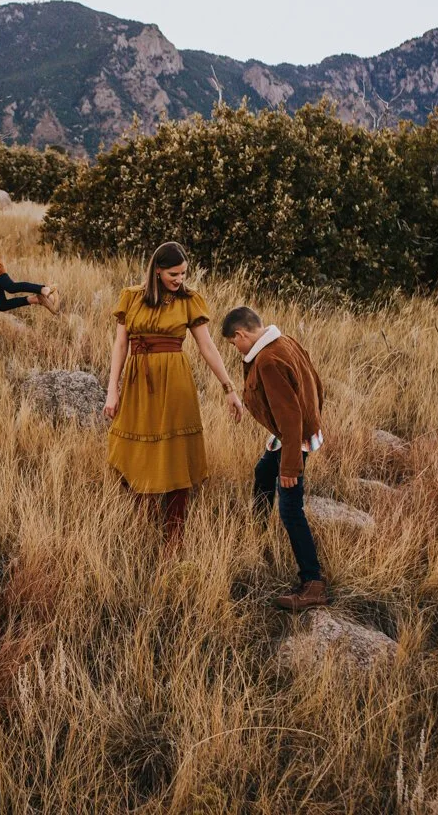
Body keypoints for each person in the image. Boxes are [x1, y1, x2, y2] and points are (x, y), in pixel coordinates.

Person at [104, 242, 245, 549]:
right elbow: (120, 346)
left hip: (175, 381)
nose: (179, 279)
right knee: (135, 445)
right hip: (137, 382)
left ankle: (174, 532)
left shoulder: (189, 300)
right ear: (157, 270)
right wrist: (112, 389)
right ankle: (141, 520)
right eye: (173, 273)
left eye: (183, 273)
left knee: (175, 449)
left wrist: (229, 388)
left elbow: (207, 347)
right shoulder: (131, 297)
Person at [221, 305, 328, 610]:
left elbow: (291, 416)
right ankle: (257, 534)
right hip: (291, 435)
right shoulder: (285, 341)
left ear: (241, 334)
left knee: (291, 508)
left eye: (233, 343)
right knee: (262, 472)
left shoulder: (267, 360)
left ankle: (313, 583)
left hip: (294, 439)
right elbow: (317, 384)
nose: (235, 348)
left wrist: (291, 464)